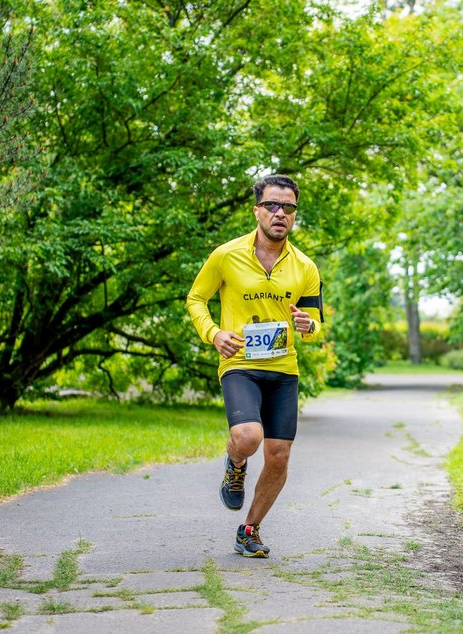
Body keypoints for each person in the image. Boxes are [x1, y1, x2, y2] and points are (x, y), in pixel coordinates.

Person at [186, 174, 323, 558]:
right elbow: (196, 298)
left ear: (295, 215)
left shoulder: (305, 267)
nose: (281, 213)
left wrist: (307, 325)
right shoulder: (226, 255)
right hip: (240, 363)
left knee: (278, 455)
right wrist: (213, 333)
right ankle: (235, 462)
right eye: (272, 205)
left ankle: (249, 530)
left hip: (284, 368)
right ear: (257, 210)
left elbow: (315, 323)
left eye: (289, 207)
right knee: (248, 438)